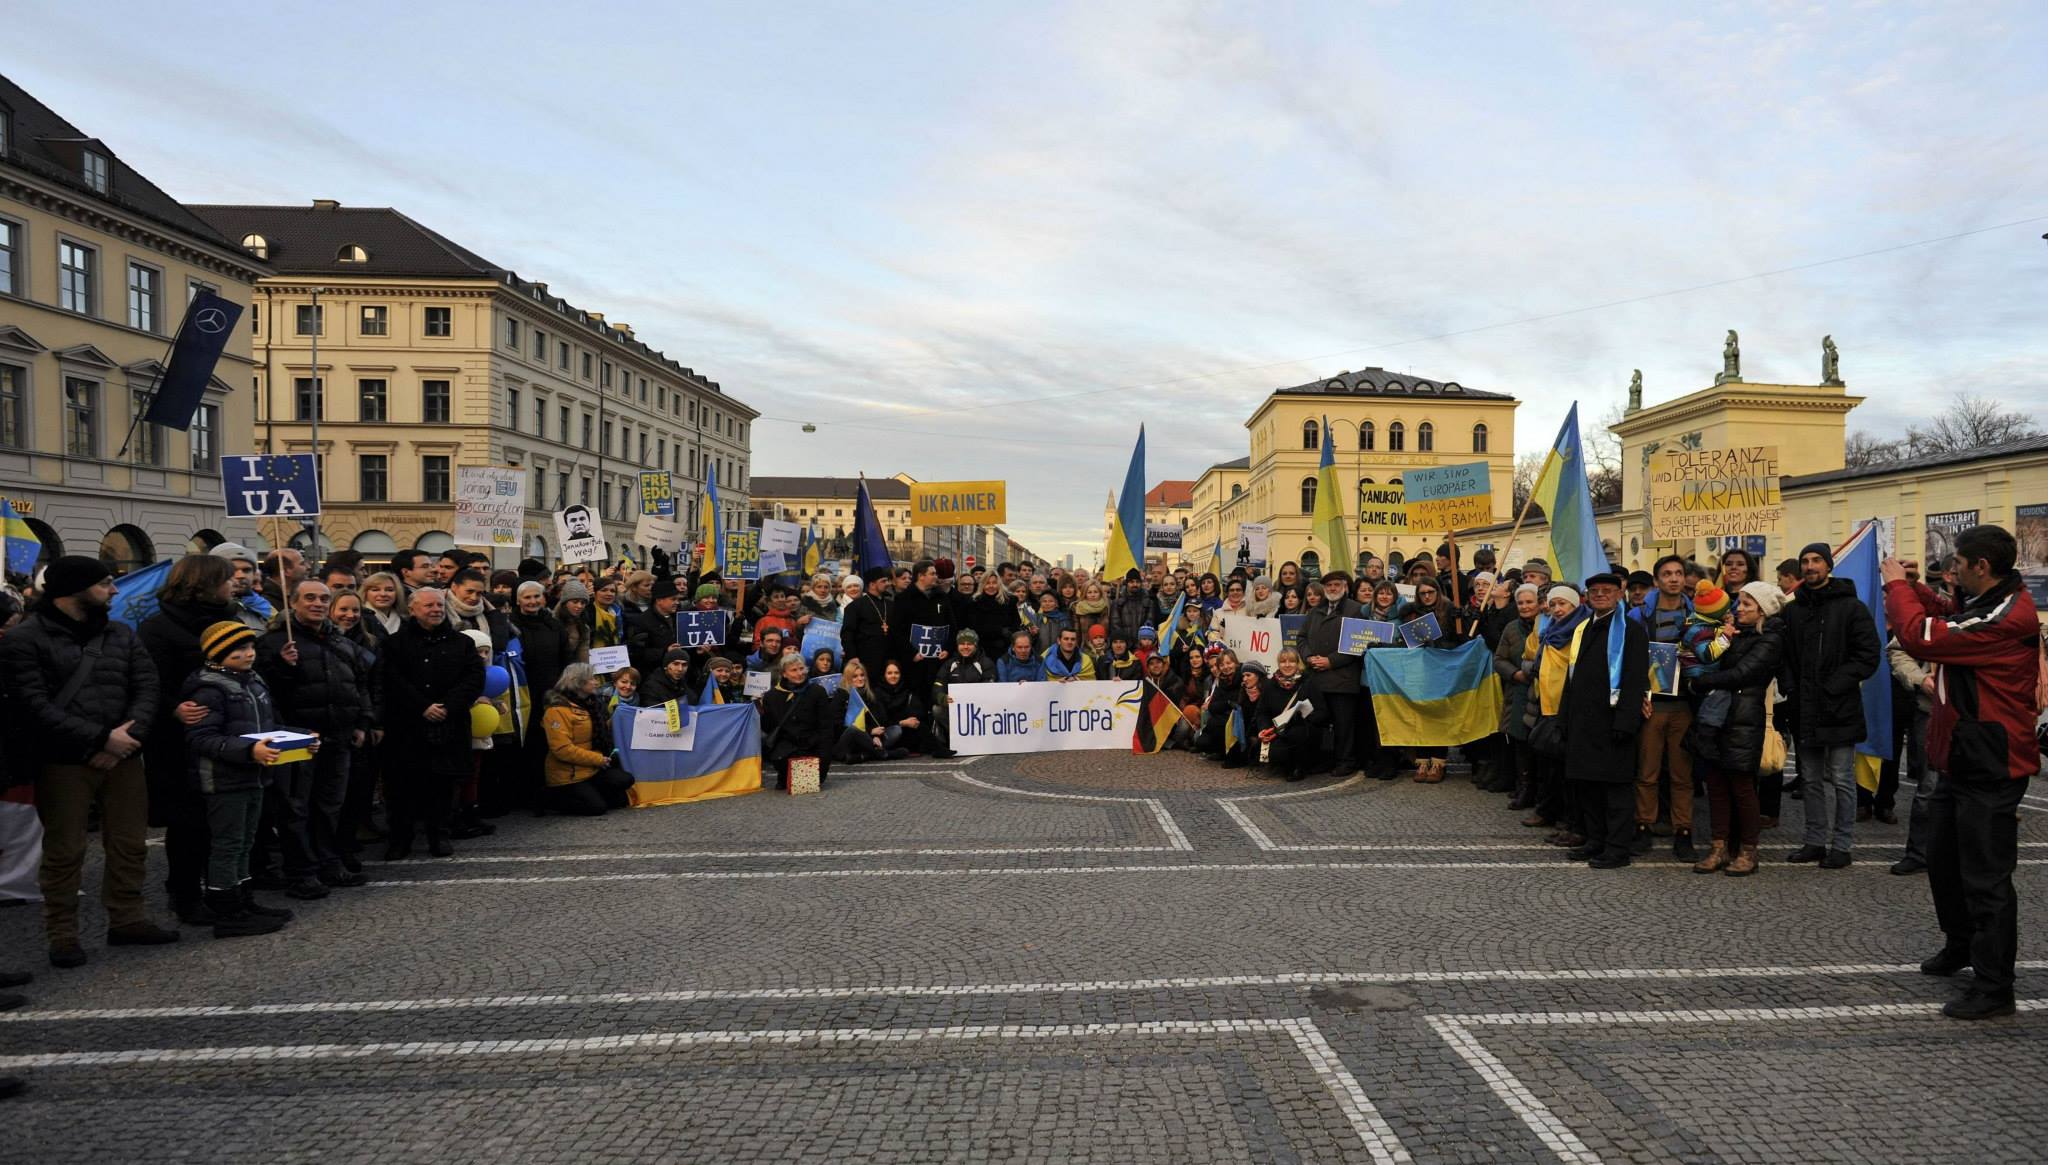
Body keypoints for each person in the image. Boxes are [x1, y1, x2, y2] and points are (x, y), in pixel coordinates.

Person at [1884, 527, 2041, 1019]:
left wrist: (1896, 587)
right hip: (1961, 757)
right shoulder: (1988, 600)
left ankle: (1995, 987)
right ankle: (1961, 944)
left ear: (1981, 566)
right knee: (1945, 862)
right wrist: (1919, 589)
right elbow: (1952, 613)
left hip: (1991, 763)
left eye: (1958, 562)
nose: (1951, 569)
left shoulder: (2008, 615)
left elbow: (1922, 636)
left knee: (1986, 878)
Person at [0, 556, 176, 966]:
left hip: (124, 755)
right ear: (72, 590)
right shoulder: (25, 640)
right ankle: (62, 934)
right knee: (65, 851)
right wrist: (99, 740)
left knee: (129, 843)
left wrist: (126, 738)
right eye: (105, 584)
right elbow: (32, 704)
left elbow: (147, 686)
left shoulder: (120, 633)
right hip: (62, 761)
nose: (113, 590)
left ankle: (128, 919)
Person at [137, 554, 239, 926]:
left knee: (223, 819)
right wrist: (174, 708)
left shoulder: (229, 620)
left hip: (225, 733)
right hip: (179, 740)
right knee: (189, 821)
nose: (233, 585)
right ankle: (185, 894)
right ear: (204, 584)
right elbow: (149, 681)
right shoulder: (158, 627)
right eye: (226, 579)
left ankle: (224, 890)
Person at [256, 579, 372, 896]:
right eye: (310, 598)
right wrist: (283, 666)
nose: (317, 604)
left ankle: (328, 863)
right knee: (296, 808)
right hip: (297, 738)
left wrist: (362, 721)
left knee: (330, 805)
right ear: (293, 602)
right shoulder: (273, 643)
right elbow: (265, 691)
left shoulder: (341, 642)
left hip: (338, 736)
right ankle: (301, 872)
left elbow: (359, 684)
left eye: (323, 599)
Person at [180, 621, 293, 937]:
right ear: (218, 654)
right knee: (227, 844)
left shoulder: (253, 682)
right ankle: (226, 909)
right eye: (239, 650)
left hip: (254, 776)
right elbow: (201, 738)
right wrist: (248, 751)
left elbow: (269, 727)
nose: (249, 654)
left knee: (246, 841)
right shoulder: (209, 689)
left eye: (250, 647)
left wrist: (300, 737)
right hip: (223, 780)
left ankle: (244, 900)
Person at [1781, 541, 1881, 869]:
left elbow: (1868, 655)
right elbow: (1784, 656)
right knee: (1809, 778)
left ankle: (1842, 844)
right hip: (1804, 708)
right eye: (1805, 561)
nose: (1810, 566)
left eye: (1816, 560)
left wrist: (1836, 685)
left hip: (1840, 707)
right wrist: (1791, 687)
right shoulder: (1793, 610)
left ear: (1828, 565)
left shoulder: (1851, 608)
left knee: (1841, 778)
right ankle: (1814, 841)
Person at [1686, 582, 1786, 877]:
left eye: (1746, 604)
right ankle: (1719, 847)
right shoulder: (1737, 632)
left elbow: (1743, 673)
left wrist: (1701, 682)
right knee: (1716, 784)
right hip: (1719, 718)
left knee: (1742, 788)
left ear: (1762, 610)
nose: (1738, 608)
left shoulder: (1771, 638)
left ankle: (1748, 850)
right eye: (1739, 602)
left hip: (1744, 719)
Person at [379, 588, 485, 860]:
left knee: (443, 785)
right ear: (412, 609)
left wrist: (447, 706)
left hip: (449, 724)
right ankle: (400, 839)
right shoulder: (394, 644)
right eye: (428, 605)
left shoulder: (462, 643)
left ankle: (439, 835)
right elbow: (391, 680)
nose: (436, 610)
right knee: (402, 786)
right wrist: (422, 706)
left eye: (439, 605)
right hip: (407, 726)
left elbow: (473, 679)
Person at [1562, 573, 1651, 870]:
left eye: (1607, 590)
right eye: (1595, 591)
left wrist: (1626, 722)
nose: (1600, 595)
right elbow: (1571, 676)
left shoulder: (1631, 631)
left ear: (1618, 594)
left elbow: (1635, 679)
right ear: (1587, 597)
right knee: (1588, 788)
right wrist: (1564, 717)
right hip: (1583, 722)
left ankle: (1617, 848)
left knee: (1615, 791)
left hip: (1613, 722)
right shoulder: (1584, 627)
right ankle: (1595, 839)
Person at [1628, 555, 1698, 861]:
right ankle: (1644, 825)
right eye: (1667, 574)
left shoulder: (1697, 614)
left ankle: (1684, 831)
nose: (1674, 578)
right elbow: (1628, 658)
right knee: (1648, 772)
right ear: (1657, 581)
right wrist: (1637, 696)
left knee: (1682, 776)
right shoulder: (1638, 615)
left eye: (1678, 573)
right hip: (1652, 705)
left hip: (1685, 704)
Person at [539, 664, 633, 815]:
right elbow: (562, 750)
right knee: (597, 808)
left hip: (591, 769)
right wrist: (598, 759)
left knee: (624, 786)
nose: (596, 682)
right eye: (592, 679)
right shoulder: (556, 710)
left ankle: (591, 792)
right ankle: (550, 797)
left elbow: (601, 732)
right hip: (568, 775)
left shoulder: (592, 704)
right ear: (578, 682)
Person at [1299, 570, 1364, 777]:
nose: (1332, 588)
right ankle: (1323, 759)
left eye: (1336, 585)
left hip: (1342, 678)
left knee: (1343, 724)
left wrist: (1331, 661)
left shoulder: (1355, 610)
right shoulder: (1315, 611)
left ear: (1344, 587)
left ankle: (1346, 761)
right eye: (1329, 585)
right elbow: (1301, 638)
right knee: (1318, 721)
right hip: (1317, 677)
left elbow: (1357, 644)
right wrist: (1308, 657)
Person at [1886, 635, 1940, 875]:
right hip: (1931, 710)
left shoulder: (1998, 616)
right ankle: (1919, 853)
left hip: (1982, 714)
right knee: (1929, 786)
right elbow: (1897, 650)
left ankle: (1969, 855)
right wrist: (1920, 679)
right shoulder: (1929, 615)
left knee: (1975, 790)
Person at [1494, 583, 1542, 809]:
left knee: (1539, 744)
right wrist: (1515, 674)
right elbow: (1499, 659)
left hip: (1542, 693)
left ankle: (1539, 789)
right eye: (1520, 602)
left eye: (1529, 602)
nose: (1524, 606)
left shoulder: (1548, 625)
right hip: (1518, 691)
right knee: (1519, 742)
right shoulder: (1511, 628)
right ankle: (1524, 786)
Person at [760, 652, 835, 788]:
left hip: (812, 746)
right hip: (785, 750)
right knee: (788, 783)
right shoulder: (771, 696)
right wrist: (760, 710)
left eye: (801, 669)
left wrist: (825, 758)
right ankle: (784, 775)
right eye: (794, 670)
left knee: (806, 785)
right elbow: (769, 727)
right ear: (784, 674)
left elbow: (826, 726)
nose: (799, 673)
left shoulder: (817, 691)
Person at [1253, 649, 1324, 780]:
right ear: (1278, 664)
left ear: (1298, 663)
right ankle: (1283, 762)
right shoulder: (1270, 685)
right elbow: (1262, 712)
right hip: (1278, 731)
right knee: (1272, 754)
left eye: (1291, 661)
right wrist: (1264, 729)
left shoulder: (1308, 683)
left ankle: (1298, 768)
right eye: (1283, 661)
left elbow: (1322, 713)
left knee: (1296, 735)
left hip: (1302, 731)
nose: (1287, 665)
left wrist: (1305, 715)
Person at [841, 568, 894, 682]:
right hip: (865, 659)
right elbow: (847, 633)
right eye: (883, 581)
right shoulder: (855, 607)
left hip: (889, 658)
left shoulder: (891, 605)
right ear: (872, 584)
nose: (887, 584)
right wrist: (852, 656)